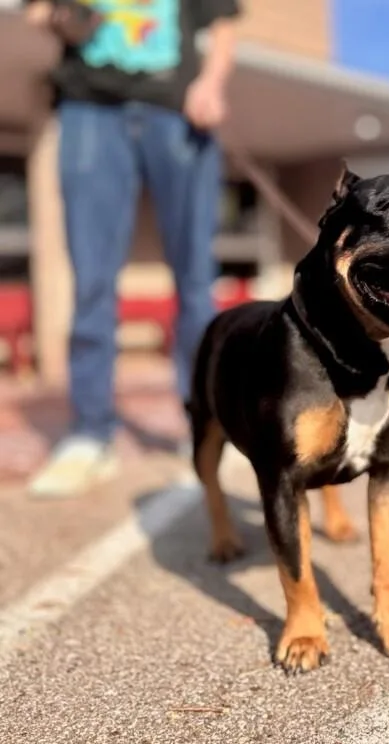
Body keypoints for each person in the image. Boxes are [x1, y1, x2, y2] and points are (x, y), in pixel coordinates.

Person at [24, 0, 241, 498]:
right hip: (90, 110)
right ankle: (89, 434)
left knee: (194, 282)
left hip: (177, 111)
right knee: (92, 277)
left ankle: (205, 432)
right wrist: (64, 18)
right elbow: (37, 13)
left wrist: (211, 84)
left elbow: (223, 24)